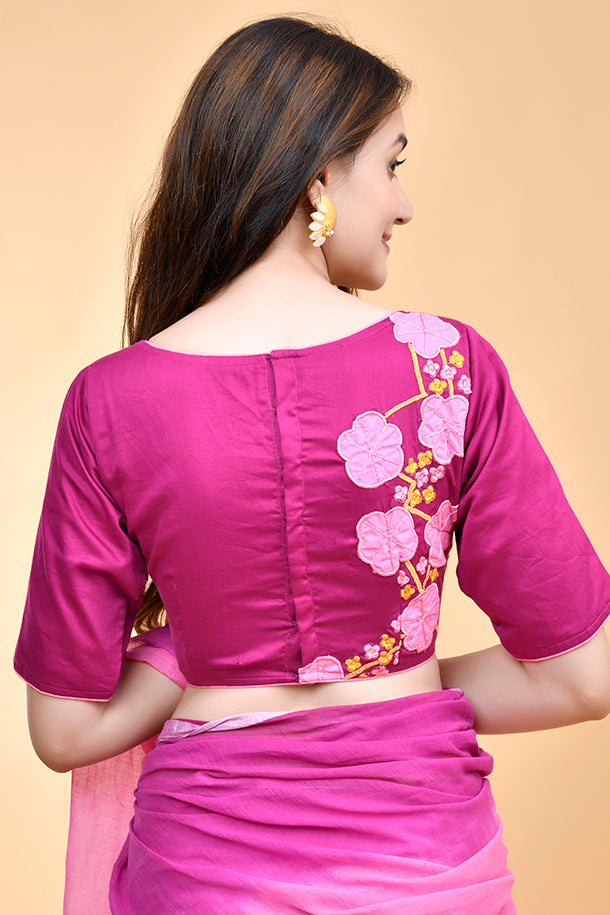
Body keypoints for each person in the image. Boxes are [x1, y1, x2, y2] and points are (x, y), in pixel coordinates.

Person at [14, 15, 610, 915]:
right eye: (392, 166)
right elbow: (581, 675)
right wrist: (390, 692)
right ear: (319, 178)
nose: (403, 205)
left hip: (204, 873)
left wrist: (190, 655)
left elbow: (65, 729)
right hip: (423, 861)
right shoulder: (447, 368)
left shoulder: (110, 399)